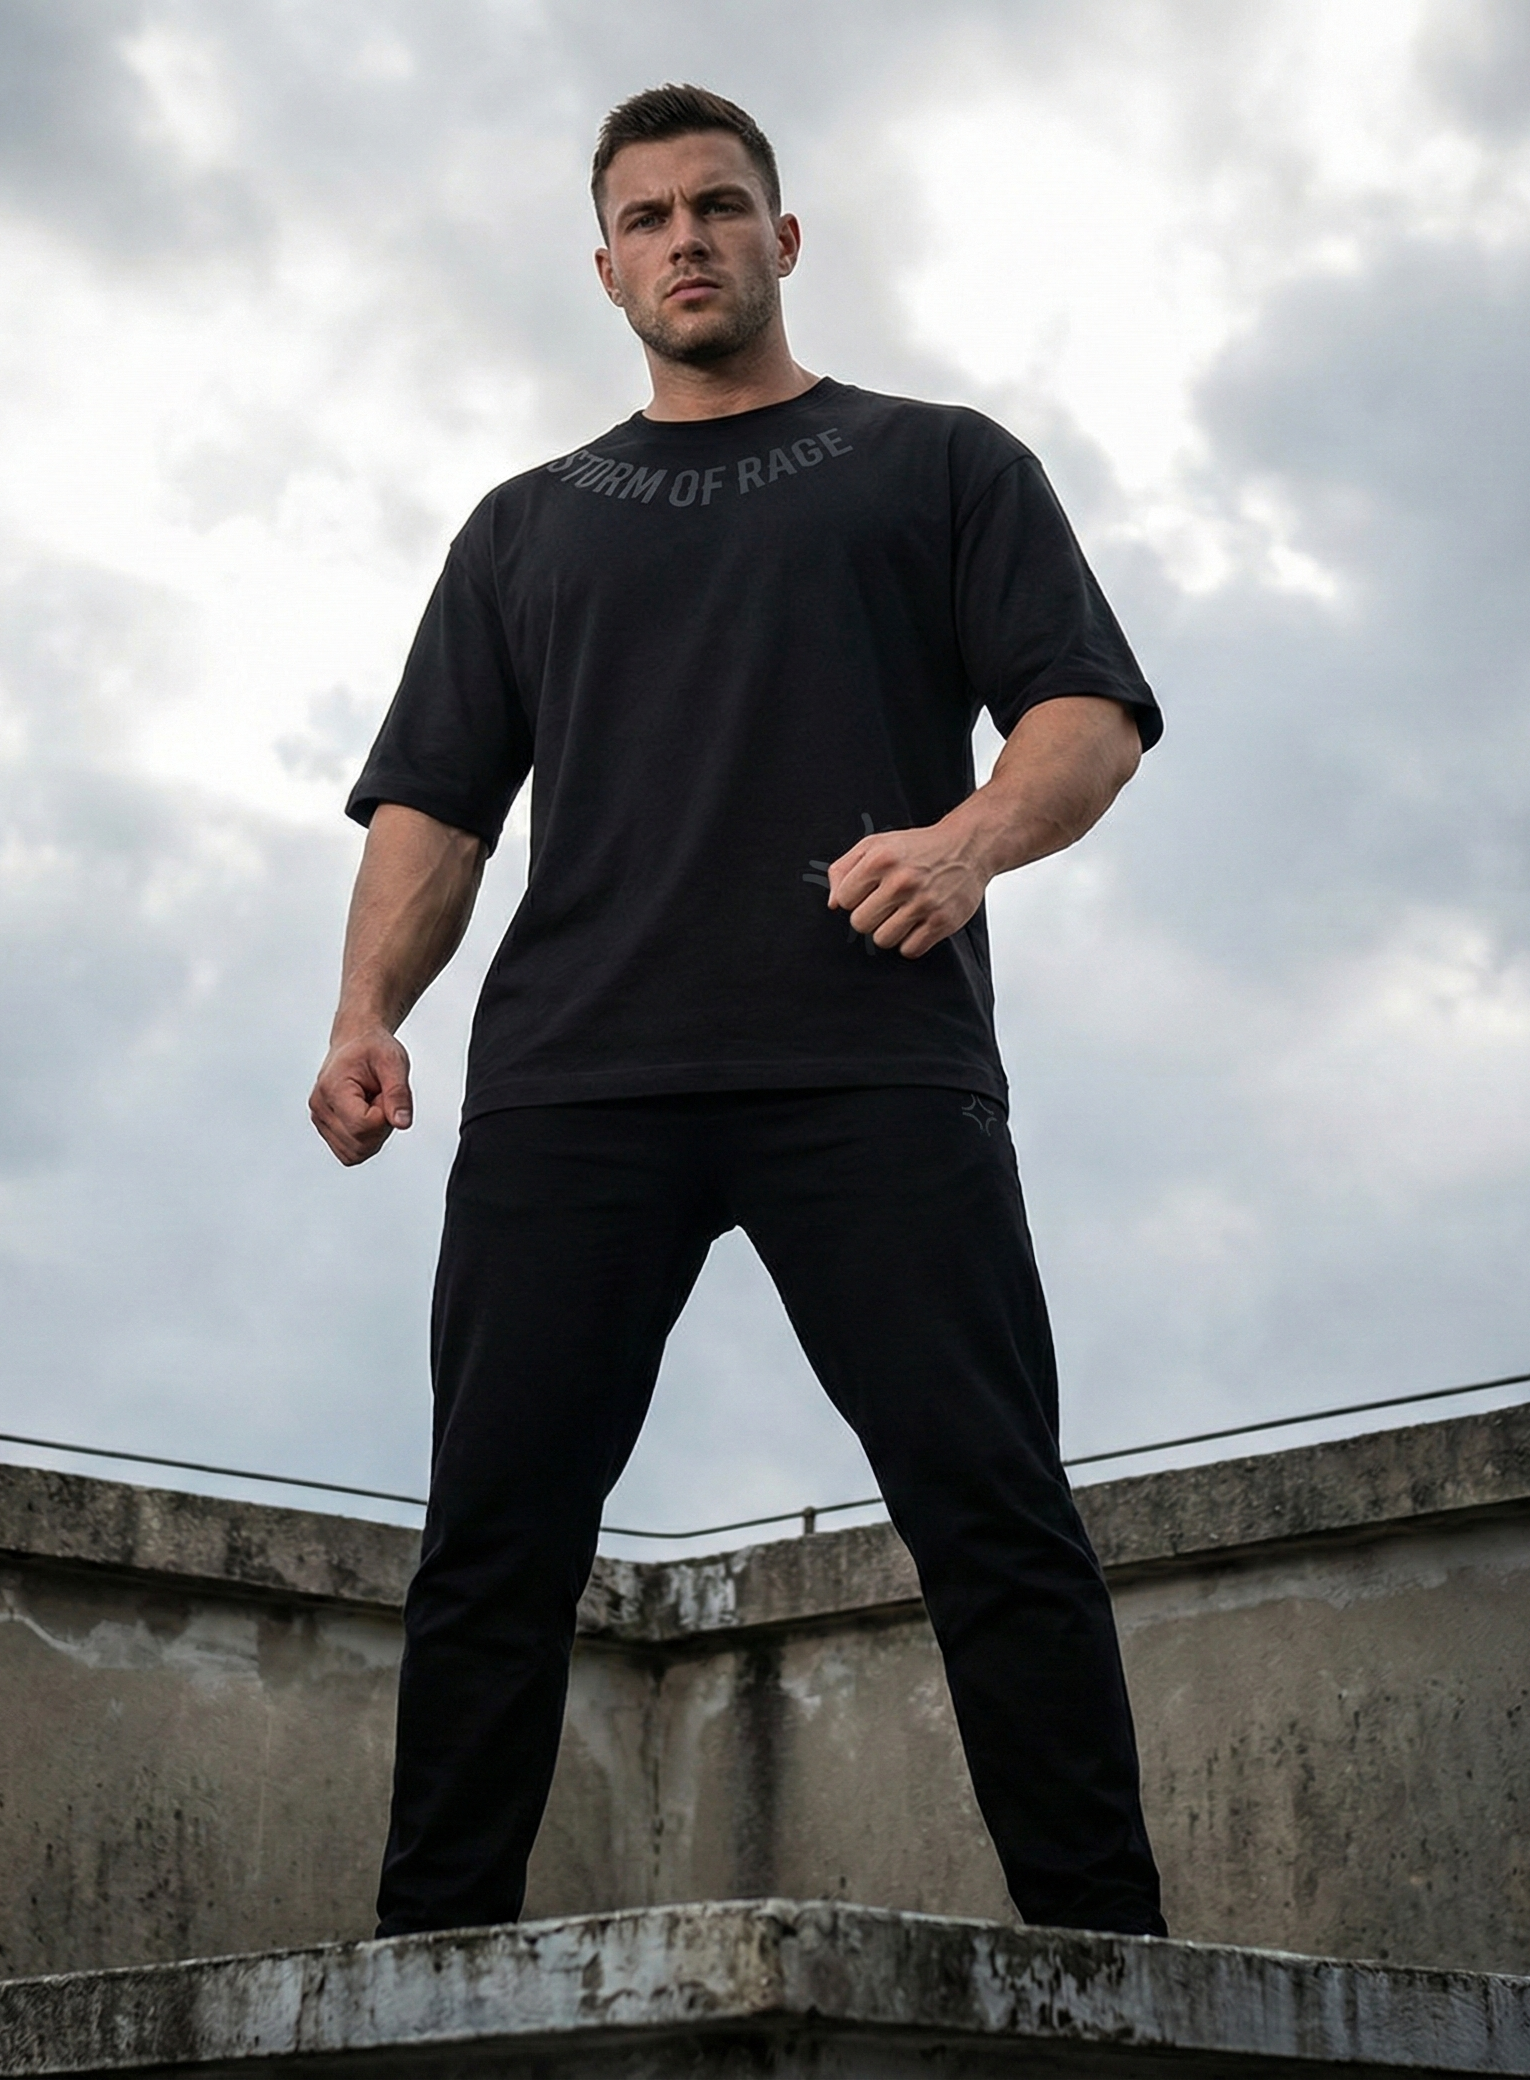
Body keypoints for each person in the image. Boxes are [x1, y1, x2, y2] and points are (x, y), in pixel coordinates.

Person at [310, 83, 1167, 1941]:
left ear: (784, 240)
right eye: (645, 218)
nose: (683, 239)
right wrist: (367, 1011)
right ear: (602, 264)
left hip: (869, 1066)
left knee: (993, 1514)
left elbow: (1082, 714)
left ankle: (1109, 1961)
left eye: (718, 207)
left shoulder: (937, 463)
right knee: (492, 1548)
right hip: (572, 1088)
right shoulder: (526, 528)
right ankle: (425, 1967)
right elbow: (433, 808)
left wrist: (964, 844)